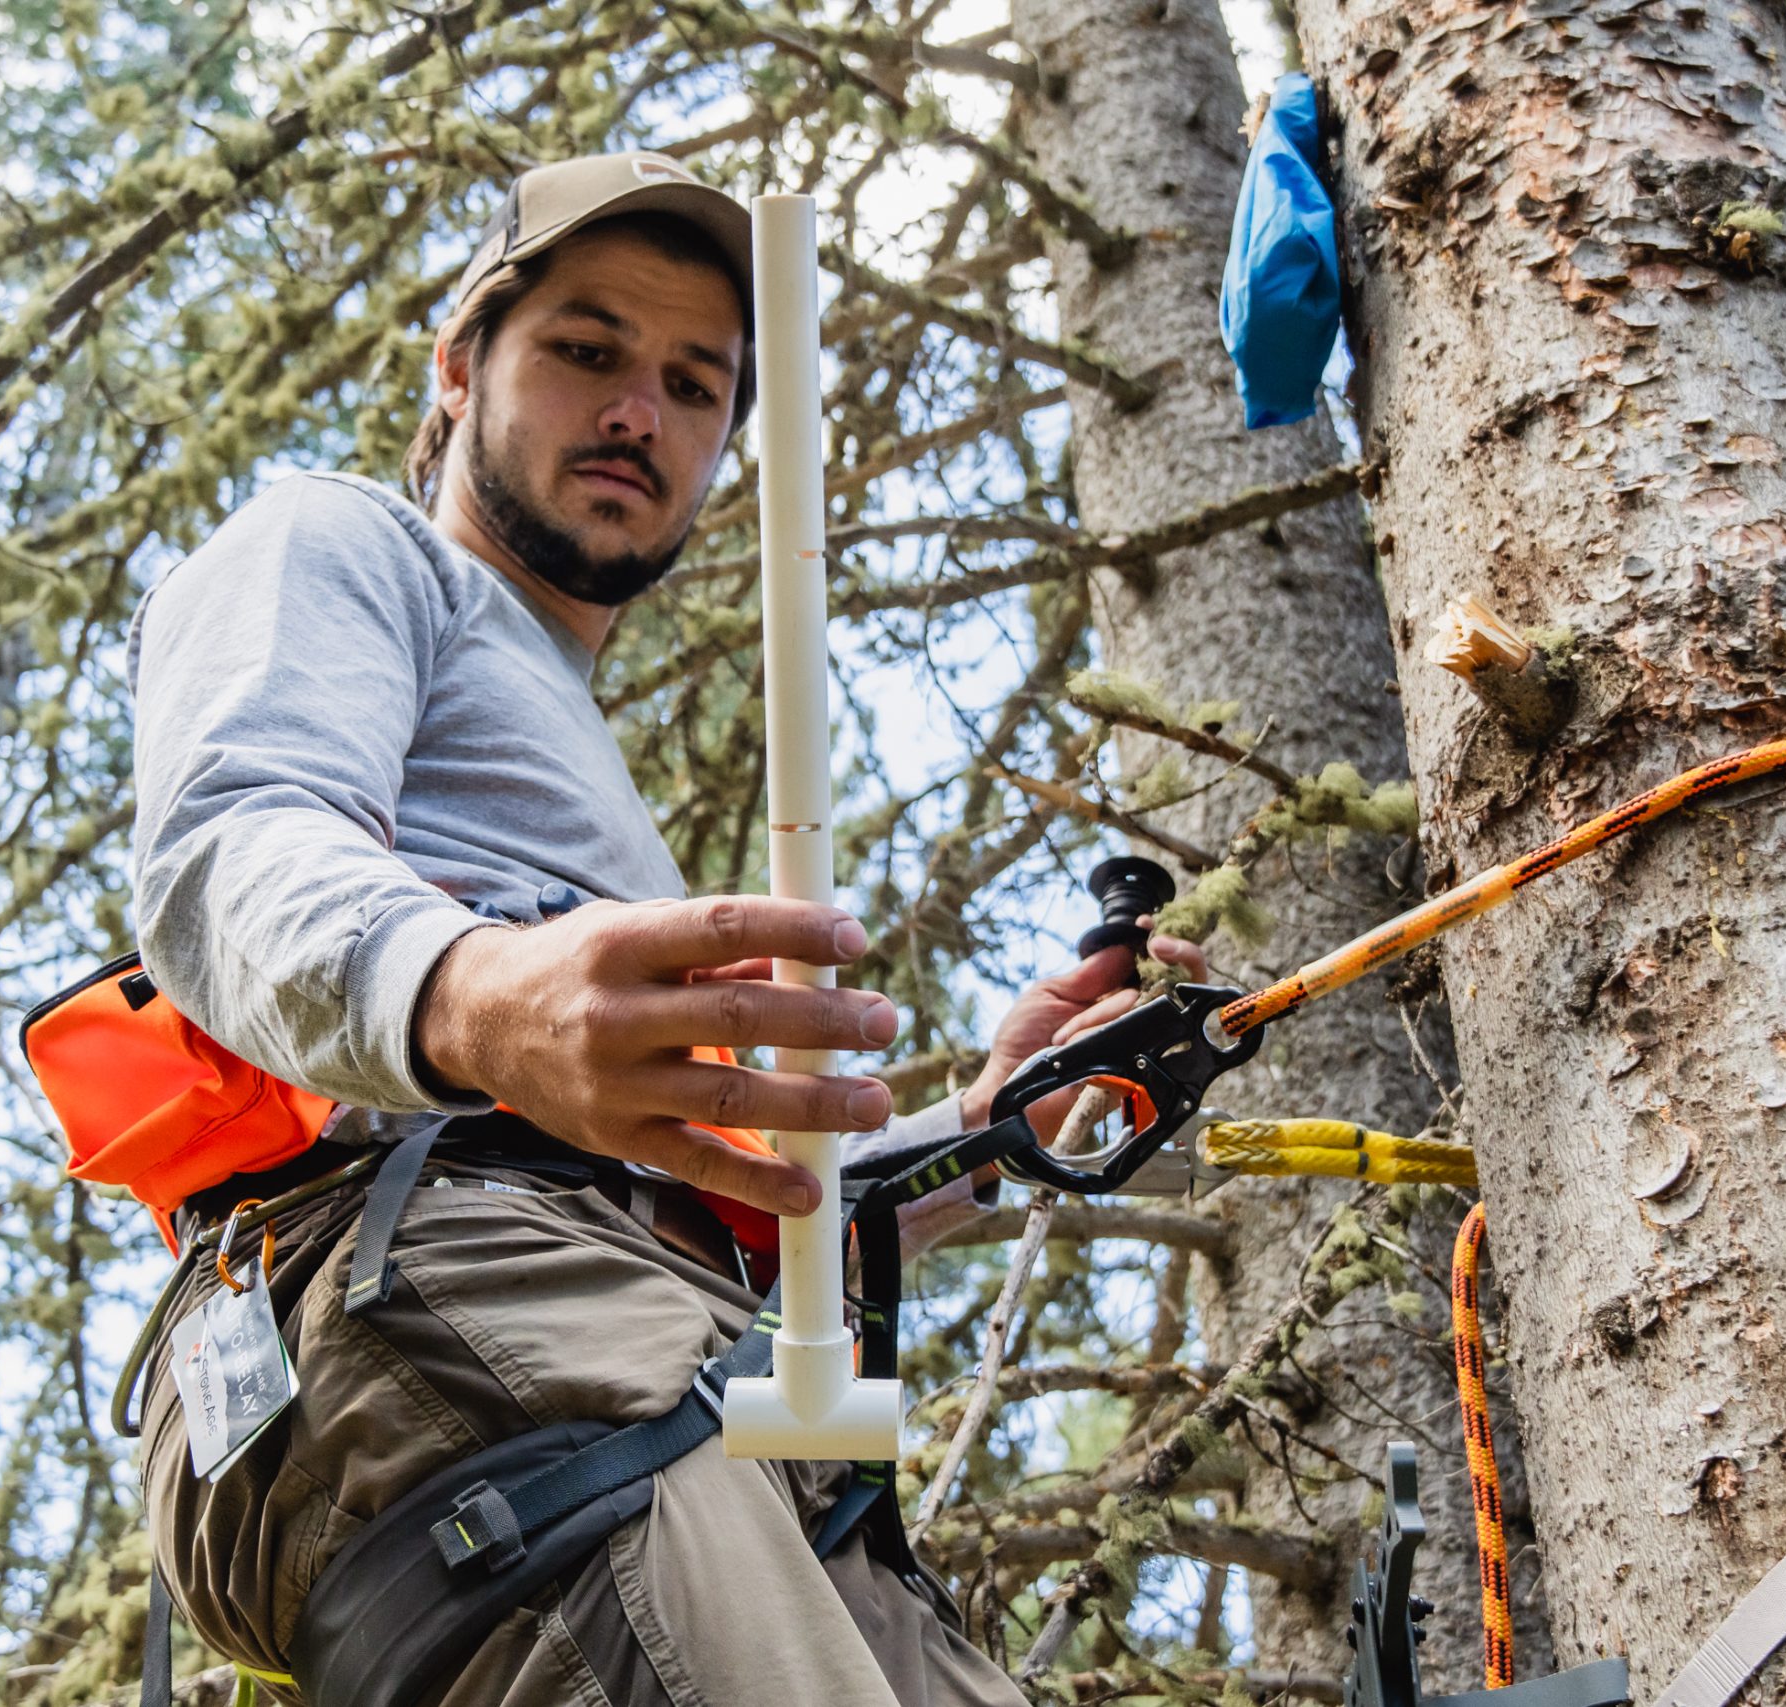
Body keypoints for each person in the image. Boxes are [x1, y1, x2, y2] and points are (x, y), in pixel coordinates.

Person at [127, 150, 1200, 1706]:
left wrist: (986, 1131)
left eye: (697, 385)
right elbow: (232, 838)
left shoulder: (568, 776)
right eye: (587, 351)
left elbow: (683, 1189)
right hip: (459, 1299)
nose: (642, 411)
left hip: (671, 1373)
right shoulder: (350, 546)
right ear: (456, 365)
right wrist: (482, 994)